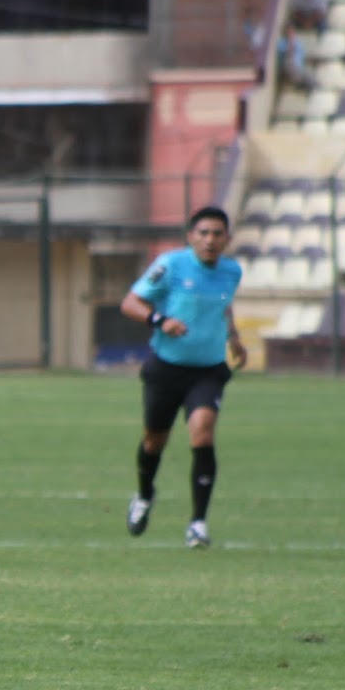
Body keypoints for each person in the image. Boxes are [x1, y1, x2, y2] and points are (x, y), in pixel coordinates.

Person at [120, 206, 247, 549]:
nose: (210, 240)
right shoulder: (172, 266)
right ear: (191, 236)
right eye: (203, 233)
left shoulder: (232, 271)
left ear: (227, 238)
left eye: (217, 233)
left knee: (202, 432)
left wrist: (234, 337)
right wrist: (161, 322)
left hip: (207, 369)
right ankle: (145, 495)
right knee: (154, 441)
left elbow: (224, 304)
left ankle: (198, 523)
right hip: (166, 368)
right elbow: (130, 302)